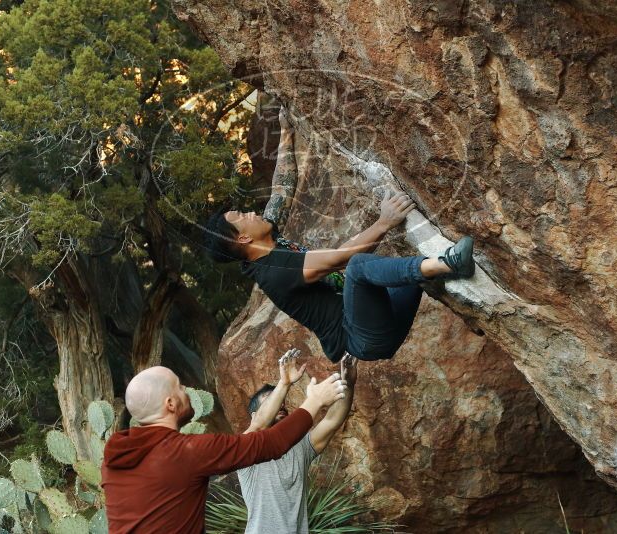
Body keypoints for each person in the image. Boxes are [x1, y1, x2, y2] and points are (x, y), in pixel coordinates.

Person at [205, 111, 476, 363]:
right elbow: (341, 259)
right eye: (242, 216)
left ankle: (470, 306)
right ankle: (449, 263)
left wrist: (286, 132)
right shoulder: (274, 272)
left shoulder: (267, 243)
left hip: (381, 317)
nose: (251, 212)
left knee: (405, 271)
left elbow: (281, 190)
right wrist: (384, 222)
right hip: (362, 338)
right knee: (359, 266)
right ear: (242, 239)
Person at [101, 365, 347, 534]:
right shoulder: (188, 452)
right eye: (180, 387)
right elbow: (269, 443)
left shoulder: (114, 460)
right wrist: (314, 401)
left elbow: (258, 427)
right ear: (170, 404)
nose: (187, 390)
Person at [237, 349, 358, 534]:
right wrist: (283, 383)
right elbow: (259, 425)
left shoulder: (299, 447)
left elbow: (332, 421)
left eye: (282, 402)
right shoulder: (246, 452)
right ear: (255, 415)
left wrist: (348, 382)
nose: (282, 406)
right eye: (273, 402)